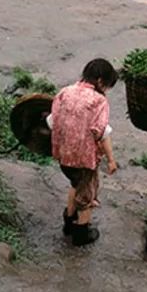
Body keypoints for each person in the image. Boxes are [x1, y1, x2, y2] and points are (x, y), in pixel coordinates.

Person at [48, 58, 119, 246]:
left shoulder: (65, 92)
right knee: (86, 196)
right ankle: (81, 232)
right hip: (84, 159)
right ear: (101, 82)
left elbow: (51, 121)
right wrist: (111, 160)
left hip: (63, 156)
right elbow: (101, 132)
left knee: (75, 184)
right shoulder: (99, 101)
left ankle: (68, 222)